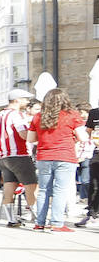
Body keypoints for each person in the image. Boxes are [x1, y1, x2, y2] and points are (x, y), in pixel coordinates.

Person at [27, 88, 86, 233]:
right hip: (65, 156)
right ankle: (56, 223)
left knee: (43, 190)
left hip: (44, 156)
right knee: (60, 190)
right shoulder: (72, 115)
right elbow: (83, 137)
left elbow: (30, 139)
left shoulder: (38, 117)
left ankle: (39, 223)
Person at [0, 89, 36, 227]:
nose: (27, 102)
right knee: (31, 186)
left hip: (3, 156)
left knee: (9, 186)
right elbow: (24, 135)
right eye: (25, 99)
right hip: (19, 155)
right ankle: (38, 218)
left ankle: (11, 219)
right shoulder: (17, 115)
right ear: (17, 100)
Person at [78, 104, 99, 227]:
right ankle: (92, 214)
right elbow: (89, 131)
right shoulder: (94, 113)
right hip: (97, 152)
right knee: (94, 185)